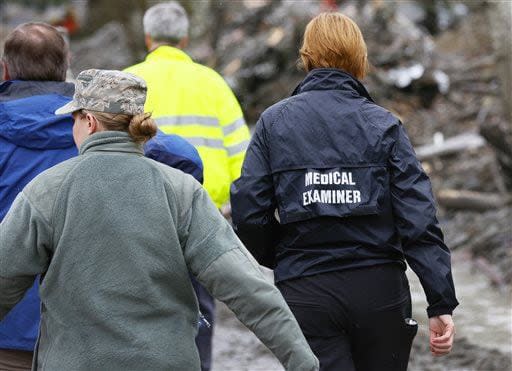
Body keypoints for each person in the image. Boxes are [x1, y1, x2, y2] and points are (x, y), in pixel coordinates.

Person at [0, 69, 319, 371]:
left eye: (74, 120)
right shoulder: (181, 191)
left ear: (90, 121)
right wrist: (302, 360)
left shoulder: (46, 191)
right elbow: (246, 285)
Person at [231, 12, 458, 371]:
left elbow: (248, 211)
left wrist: (285, 258)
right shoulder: (384, 124)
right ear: (359, 58)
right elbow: (418, 218)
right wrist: (439, 300)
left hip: (305, 290)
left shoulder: (273, 123)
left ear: (306, 56)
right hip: (378, 290)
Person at [124, 3, 251, 368]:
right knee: (199, 310)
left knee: (139, 305)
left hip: (136, 214)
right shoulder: (213, 84)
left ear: (149, 38)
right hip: (201, 216)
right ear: (185, 38)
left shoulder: (127, 80)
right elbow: (242, 157)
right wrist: (229, 206)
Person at [0, 22, 76, 370]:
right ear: (66, 65)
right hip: (81, 330)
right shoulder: (97, 126)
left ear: (5, 68)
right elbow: (182, 156)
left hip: (6, 327)